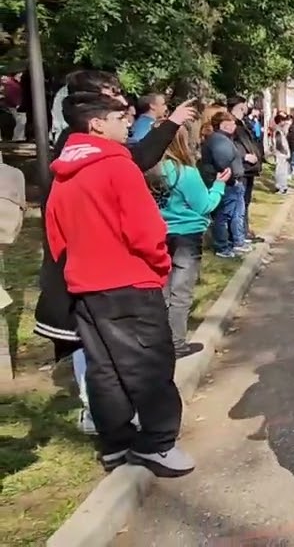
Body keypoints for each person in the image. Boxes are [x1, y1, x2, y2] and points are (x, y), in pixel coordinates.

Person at [46, 92, 192, 477]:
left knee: (104, 369)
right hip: (130, 282)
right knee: (151, 366)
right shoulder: (118, 166)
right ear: (96, 123)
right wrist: (159, 265)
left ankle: (115, 442)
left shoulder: (63, 170)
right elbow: (146, 230)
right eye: (120, 117)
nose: (129, 123)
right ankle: (159, 443)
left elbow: (54, 231)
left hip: (85, 285)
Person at [152, 127, 232, 358]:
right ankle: (177, 342)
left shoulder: (151, 172)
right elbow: (204, 205)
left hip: (158, 233)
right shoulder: (186, 173)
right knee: (181, 291)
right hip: (186, 235)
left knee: (162, 289)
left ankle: (160, 339)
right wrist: (219, 186)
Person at [201, 111, 249, 258]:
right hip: (228, 183)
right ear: (224, 125)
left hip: (233, 182)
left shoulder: (222, 139)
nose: (235, 125)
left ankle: (237, 241)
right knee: (224, 215)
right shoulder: (219, 140)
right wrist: (232, 180)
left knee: (236, 214)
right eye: (232, 123)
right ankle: (222, 246)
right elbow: (223, 162)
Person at [228, 97, 265, 241]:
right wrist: (244, 156)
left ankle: (244, 231)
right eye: (243, 106)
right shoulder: (231, 123)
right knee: (239, 203)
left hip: (249, 169)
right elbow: (230, 144)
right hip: (241, 168)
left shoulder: (242, 123)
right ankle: (238, 235)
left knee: (245, 202)